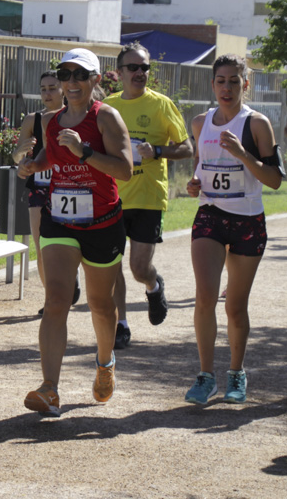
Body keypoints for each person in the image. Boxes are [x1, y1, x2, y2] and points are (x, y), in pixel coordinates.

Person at [17, 48, 133, 417]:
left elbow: (125, 169)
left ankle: (104, 362)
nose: (70, 83)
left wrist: (85, 153)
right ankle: (50, 388)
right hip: (60, 221)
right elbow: (54, 158)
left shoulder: (107, 118)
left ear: (95, 80)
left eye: (79, 76)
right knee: (56, 301)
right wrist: (32, 165)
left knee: (100, 304)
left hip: (102, 223)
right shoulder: (52, 122)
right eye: (65, 76)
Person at [183, 55, 284, 404]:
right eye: (220, 81)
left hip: (247, 221)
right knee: (205, 297)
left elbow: (273, 181)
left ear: (246, 84)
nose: (227, 88)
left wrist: (244, 154)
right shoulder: (200, 123)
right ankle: (205, 375)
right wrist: (194, 182)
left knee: (235, 307)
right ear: (212, 85)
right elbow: (200, 166)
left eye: (234, 81)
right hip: (210, 216)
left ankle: (237, 372)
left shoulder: (257, 124)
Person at [104, 42, 192, 349]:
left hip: (149, 197)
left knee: (138, 268)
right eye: (134, 67)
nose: (140, 73)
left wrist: (157, 150)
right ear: (119, 73)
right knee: (112, 265)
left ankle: (154, 286)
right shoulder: (109, 107)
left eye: (145, 67)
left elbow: (186, 148)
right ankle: (121, 324)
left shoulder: (162, 104)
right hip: (112, 196)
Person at [11, 71, 81, 314]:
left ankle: (72, 277)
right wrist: (20, 152)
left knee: (74, 241)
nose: (47, 93)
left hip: (68, 186)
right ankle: (50, 300)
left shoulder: (73, 117)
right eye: (43, 89)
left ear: (63, 89)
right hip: (39, 188)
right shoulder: (32, 119)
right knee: (41, 245)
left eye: (52, 88)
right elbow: (17, 158)